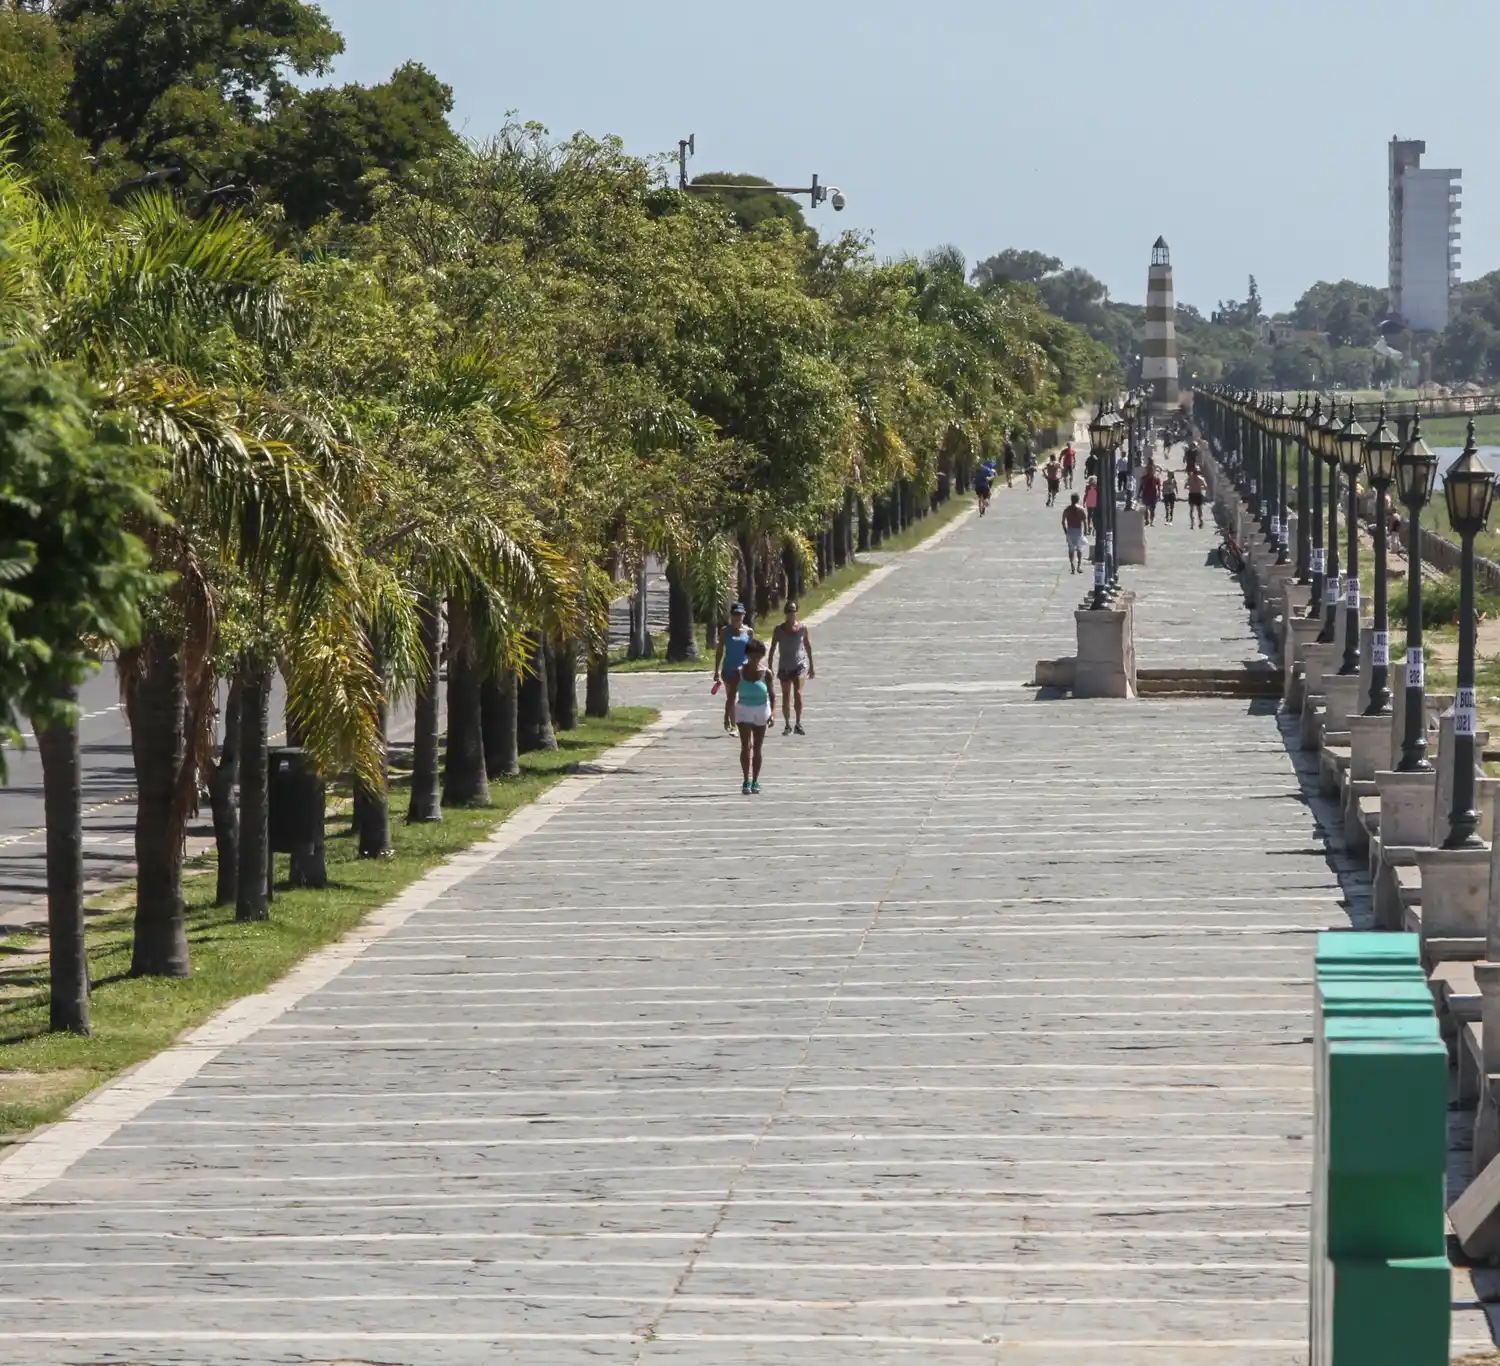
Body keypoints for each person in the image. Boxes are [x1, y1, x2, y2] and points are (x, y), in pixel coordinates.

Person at [768, 601, 815, 736]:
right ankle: (788, 724)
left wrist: (811, 665)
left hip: (799, 665)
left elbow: (807, 645)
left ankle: (798, 723)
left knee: (798, 693)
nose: (791, 613)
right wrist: (770, 666)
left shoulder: (802, 628)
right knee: (786, 695)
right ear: (785, 613)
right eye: (789, 611)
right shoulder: (779, 630)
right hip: (784, 667)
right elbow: (772, 648)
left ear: (796, 612)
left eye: (793, 610)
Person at [734, 639, 774, 794]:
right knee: (746, 746)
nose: (755, 659)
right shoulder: (739, 672)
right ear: (747, 655)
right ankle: (746, 779)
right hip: (743, 709)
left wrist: (773, 713)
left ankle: (756, 780)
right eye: (752, 656)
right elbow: (731, 696)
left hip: (762, 709)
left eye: (758, 656)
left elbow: (772, 695)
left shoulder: (766, 673)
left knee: (758, 747)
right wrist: (728, 715)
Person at [712, 603, 753, 733]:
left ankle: (742, 722)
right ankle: (732, 724)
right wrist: (716, 671)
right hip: (729, 669)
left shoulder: (749, 632)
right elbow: (719, 651)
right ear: (731, 616)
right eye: (735, 615)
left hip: (744, 670)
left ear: (744, 616)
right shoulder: (725, 631)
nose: (737, 618)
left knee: (744, 697)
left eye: (740, 615)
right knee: (731, 696)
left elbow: (753, 652)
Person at [1062, 493, 1088, 574]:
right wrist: (1085, 531)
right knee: (1079, 549)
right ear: (1078, 499)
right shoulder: (1081, 509)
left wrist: (1066, 531)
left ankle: (1072, 566)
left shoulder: (1067, 509)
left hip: (1070, 530)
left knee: (1071, 549)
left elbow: (1063, 522)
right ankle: (1079, 566)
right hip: (1078, 531)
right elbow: (1085, 522)